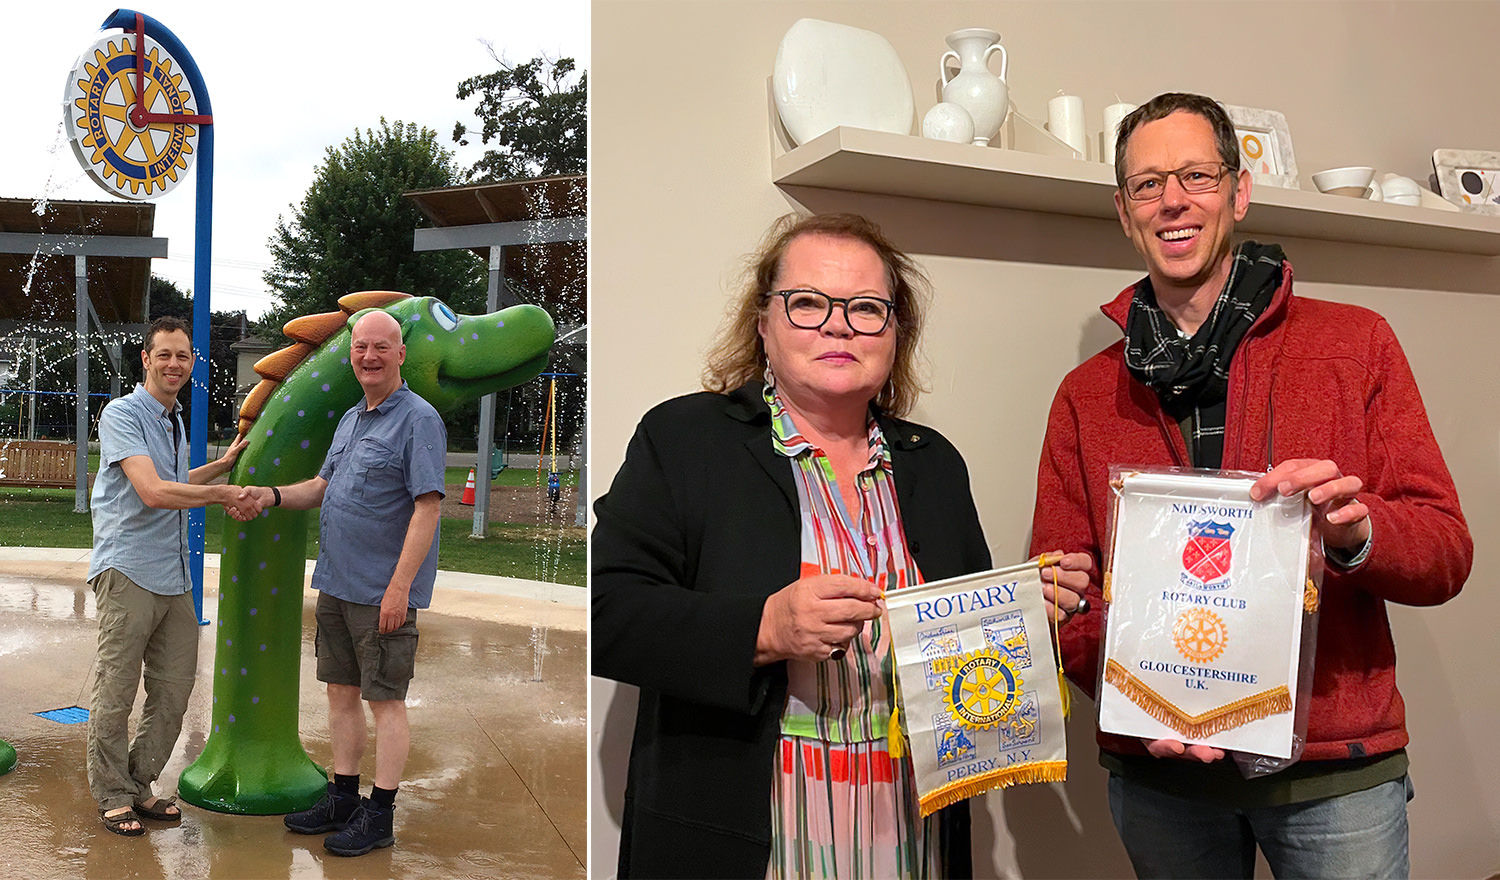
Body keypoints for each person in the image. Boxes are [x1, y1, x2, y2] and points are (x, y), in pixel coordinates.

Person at [1029, 92, 1472, 878]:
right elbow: (1063, 591)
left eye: (1196, 175)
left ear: (1240, 191)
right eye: (1147, 184)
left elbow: (1445, 552)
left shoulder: (1356, 345)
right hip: (1161, 776)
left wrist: (1352, 531)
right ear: (1125, 214)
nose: (1173, 199)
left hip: (1333, 775)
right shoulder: (1085, 394)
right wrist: (1138, 694)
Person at [592, 213, 1090, 879]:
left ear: (895, 332)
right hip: (753, 832)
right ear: (764, 324)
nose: (838, 324)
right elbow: (605, 614)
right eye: (806, 303)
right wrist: (764, 628)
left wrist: (1025, 616)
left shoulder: (932, 464)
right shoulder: (684, 440)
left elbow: (956, 663)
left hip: (911, 828)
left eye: (866, 308)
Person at [246, 309, 446, 857]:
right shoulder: (352, 419)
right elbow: (322, 486)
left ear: (400, 354)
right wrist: (270, 495)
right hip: (337, 582)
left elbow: (427, 508)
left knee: (386, 701)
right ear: (351, 354)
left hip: (383, 591)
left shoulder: (418, 419)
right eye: (361, 348)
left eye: (381, 347)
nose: (369, 356)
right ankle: (343, 796)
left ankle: (379, 814)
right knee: (340, 693)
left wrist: (400, 588)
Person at [88, 315, 257, 836]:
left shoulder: (175, 419)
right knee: (116, 690)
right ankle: (112, 792)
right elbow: (153, 492)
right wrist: (222, 495)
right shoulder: (122, 413)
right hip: (128, 569)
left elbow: (175, 480)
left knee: (173, 690)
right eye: (164, 354)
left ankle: (140, 785)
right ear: (146, 358)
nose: (174, 364)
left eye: (182, 356)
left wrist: (223, 465)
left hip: (174, 573)